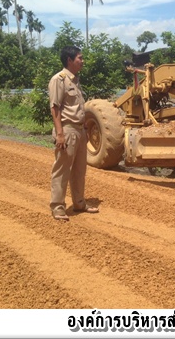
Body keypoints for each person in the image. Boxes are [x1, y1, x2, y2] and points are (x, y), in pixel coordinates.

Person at [48, 46, 99, 221]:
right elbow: (55, 108)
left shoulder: (75, 80)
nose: (82, 61)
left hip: (79, 130)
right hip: (67, 130)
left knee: (79, 170)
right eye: (80, 58)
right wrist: (60, 134)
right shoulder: (59, 80)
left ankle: (79, 203)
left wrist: (84, 128)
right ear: (69, 60)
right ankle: (57, 207)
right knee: (62, 169)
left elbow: (77, 107)